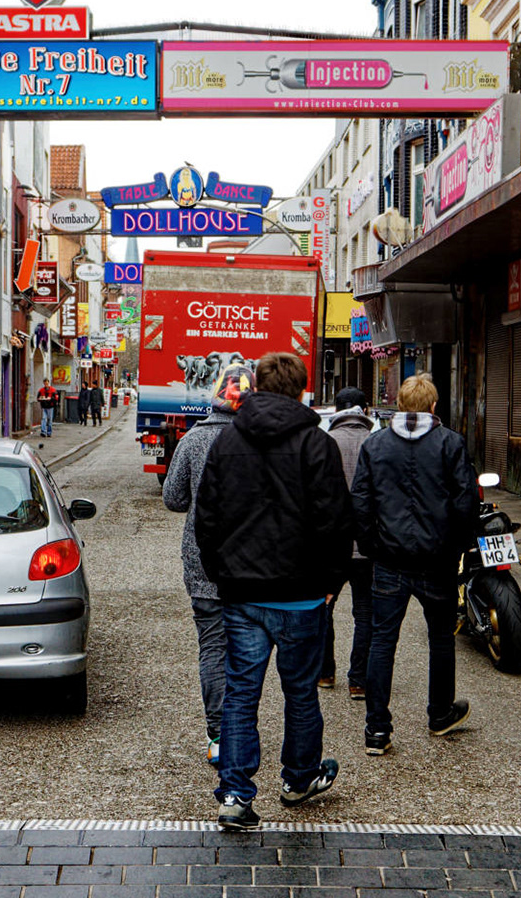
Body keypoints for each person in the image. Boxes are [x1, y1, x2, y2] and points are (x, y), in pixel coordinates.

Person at [194, 351, 353, 830]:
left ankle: (237, 796)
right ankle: (300, 778)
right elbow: (335, 523)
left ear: (256, 387)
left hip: (242, 593)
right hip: (302, 594)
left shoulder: (227, 442)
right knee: (301, 691)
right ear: (303, 390)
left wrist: (222, 574)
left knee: (242, 693)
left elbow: (207, 519)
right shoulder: (315, 446)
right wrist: (330, 584)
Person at [350, 372, 478, 756]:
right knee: (440, 637)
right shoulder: (450, 444)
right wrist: (457, 547)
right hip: (437, 560)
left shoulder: (376, 445)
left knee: (382, 640)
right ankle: (439, 713)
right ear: (434, 406)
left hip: (389, 559)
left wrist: (373, 545)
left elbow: (360, 502)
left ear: (400, 406)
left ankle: (377, 729)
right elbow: (465, 502)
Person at [162, 362, 250, 765]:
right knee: (247, 649)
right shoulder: (258, 440)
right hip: (251, 564)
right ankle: (243, 730)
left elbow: (174, 499)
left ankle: (218, 734)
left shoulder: (194, 440)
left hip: (202, 562)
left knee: (212, 646)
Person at [319, 387, 376, 699]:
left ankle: (325, 673)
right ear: (365, 410)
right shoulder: (376, 442)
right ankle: (359, 680)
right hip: (367, 546)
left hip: (331, 545)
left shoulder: (326, 442)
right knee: (365, 612)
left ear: (336, 409)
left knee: (324, 607)